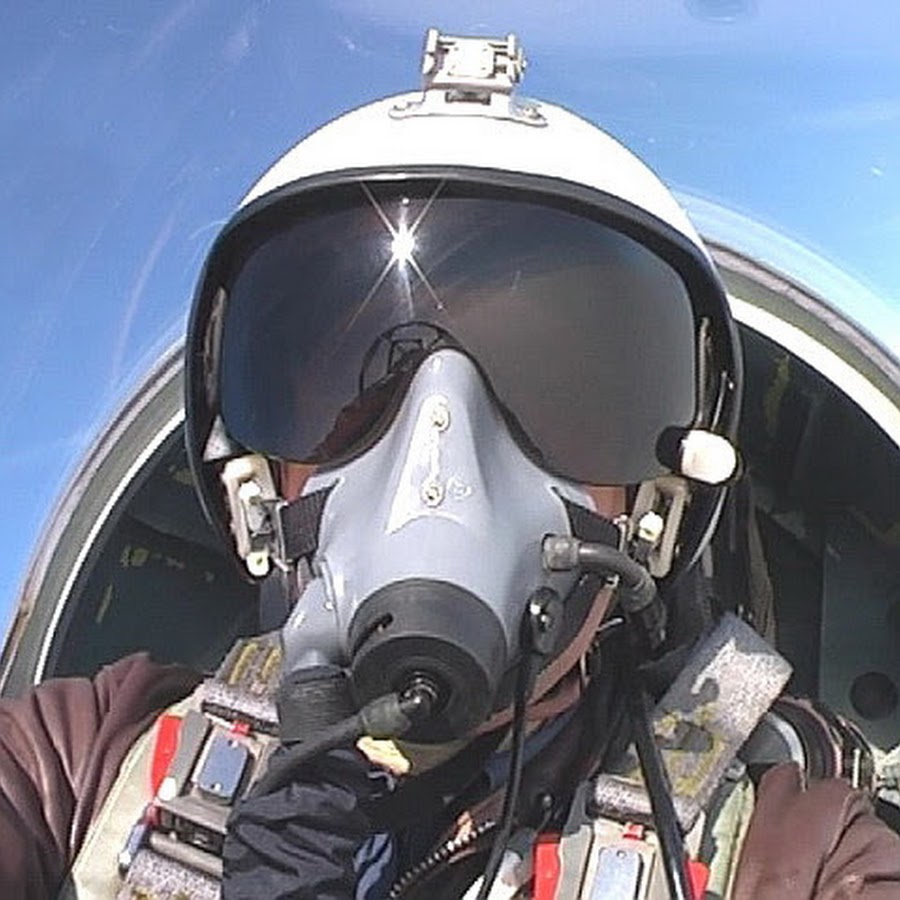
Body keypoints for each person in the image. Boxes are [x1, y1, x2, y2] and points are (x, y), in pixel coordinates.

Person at [1, 28, 899, 900]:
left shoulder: (794, 857)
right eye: (355, 394)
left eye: (559, 395)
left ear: (651, 514)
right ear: (256, 487)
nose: (434, 467)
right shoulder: (80, 761)